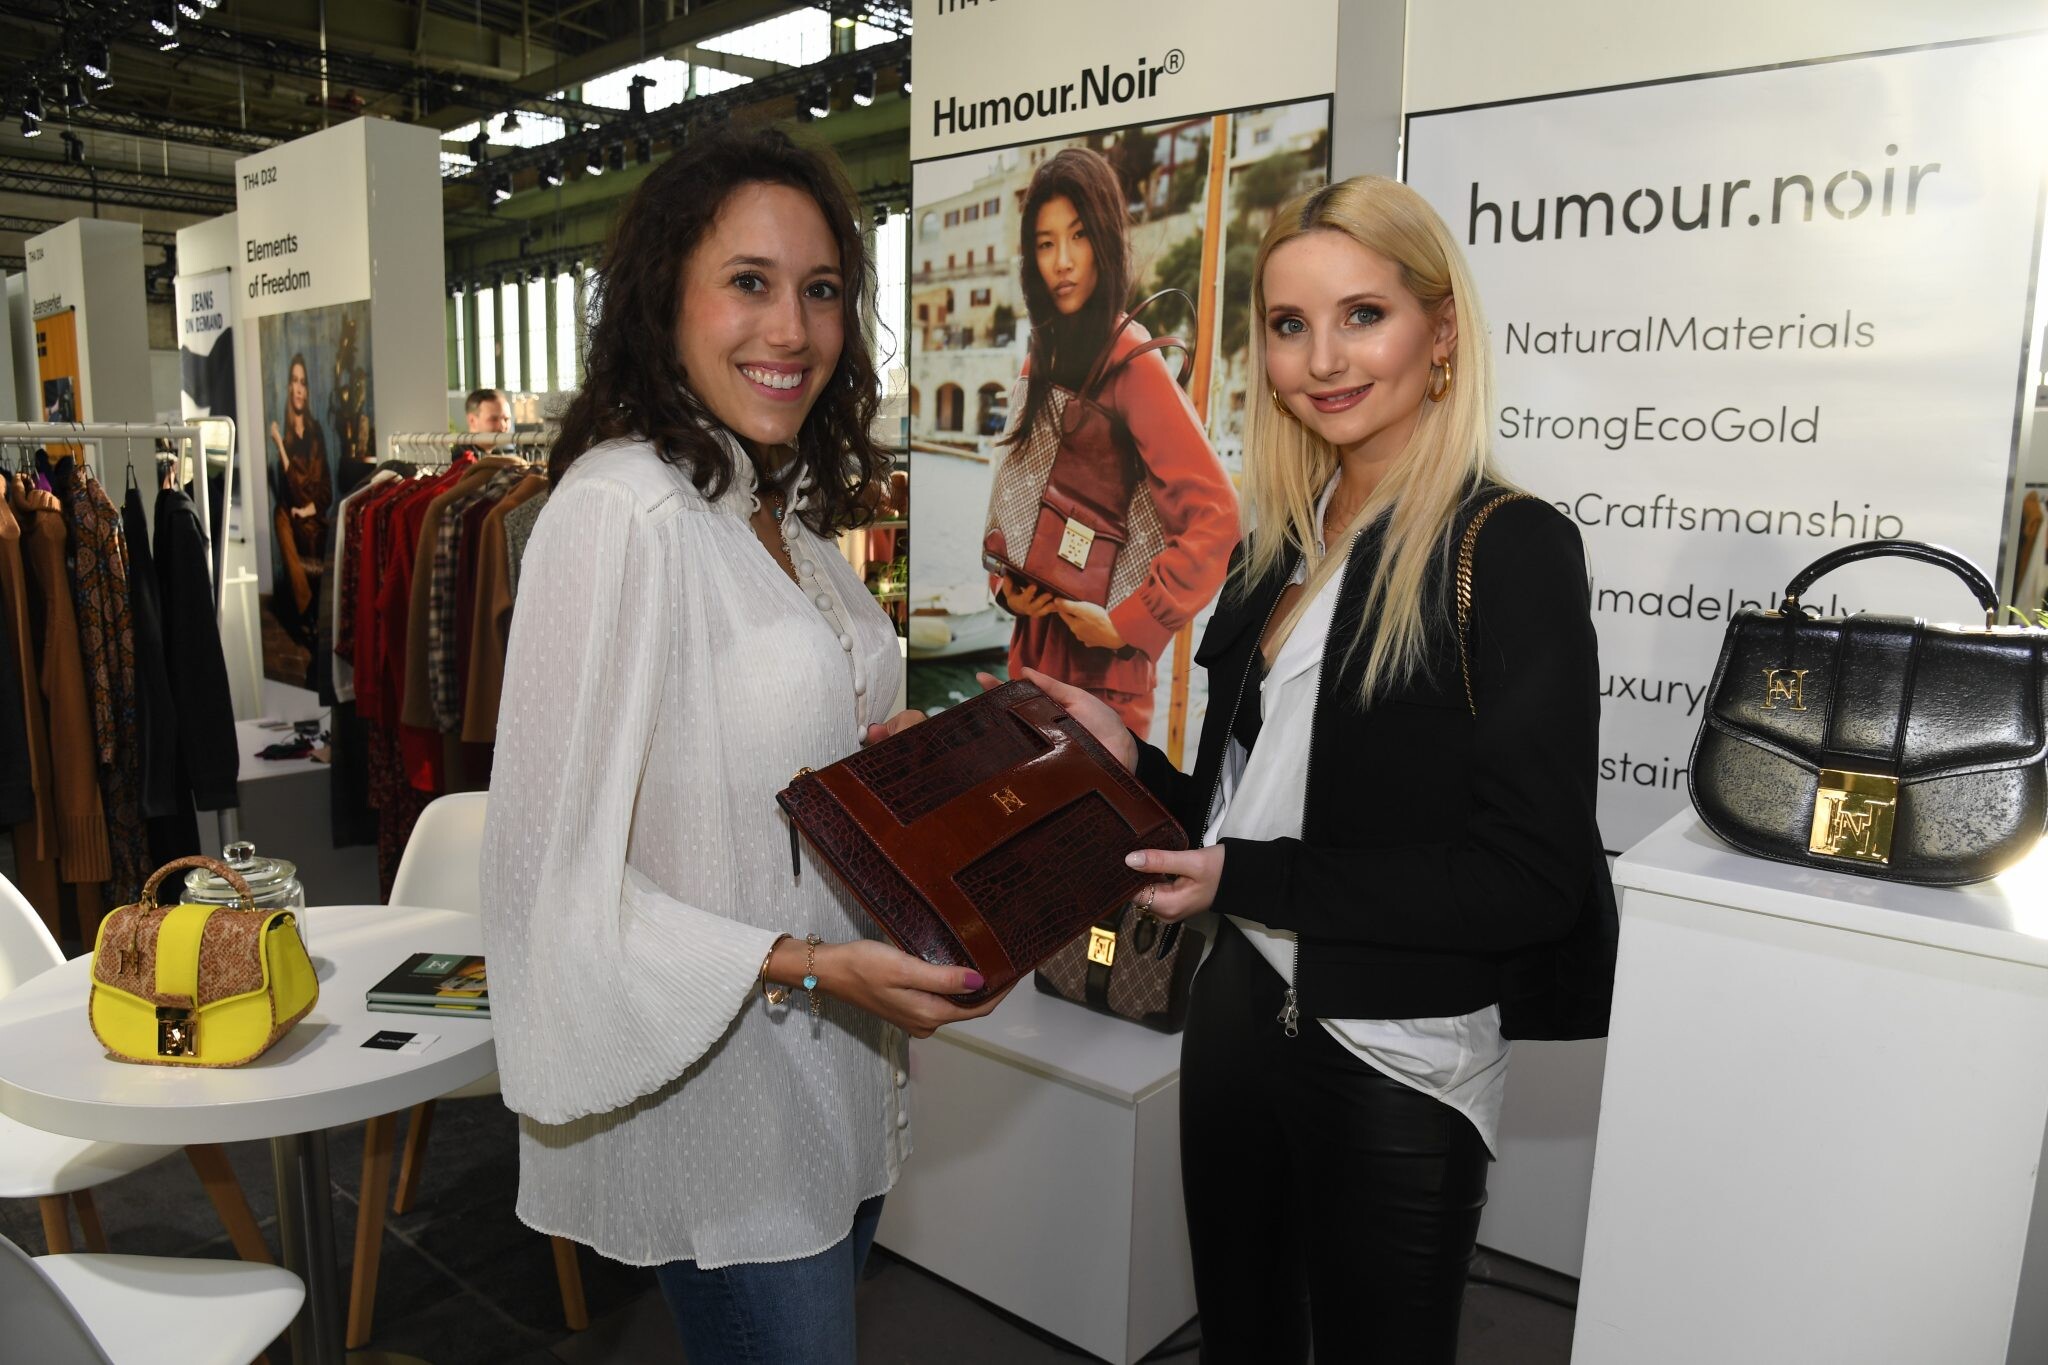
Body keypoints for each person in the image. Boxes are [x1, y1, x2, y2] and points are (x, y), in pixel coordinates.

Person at [997, 176, 1615, 1362]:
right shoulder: (1281, 542)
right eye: (1288, 325)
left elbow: (1528, 879)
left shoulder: (1509, 548)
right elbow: (1247, 810)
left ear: (1440, 331)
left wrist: (1243, 879)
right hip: (1235, 1015)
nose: (1321, 359)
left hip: (1395, 1056)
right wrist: (1129, 764)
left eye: (1361, 316)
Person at [478, 127, 1010, 1365]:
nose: (791, 329)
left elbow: (749, 760)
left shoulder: (773, 518)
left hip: (833, 1071)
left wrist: (891, 764)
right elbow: (545, 872)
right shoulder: (622, 511)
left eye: (819, 290)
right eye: (748, 282)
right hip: (725, 1104)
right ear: (665, 298)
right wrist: (810, 965)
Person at [993, 146, 1238, 740]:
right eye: (1045, 243)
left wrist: (1129, 623)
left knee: (1095, 806)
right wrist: (1008, 591)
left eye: (1078, 236)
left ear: (1104, 238)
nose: (1063, 261)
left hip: (1104, 682)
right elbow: (1016, 500)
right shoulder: (1041, 357)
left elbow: (1218, 519)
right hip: (1030, 659)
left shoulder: (1133, 361)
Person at [269, 352, 331, 647]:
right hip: (292, 513)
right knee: (280, 516)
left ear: (307, 390)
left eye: (303, 382)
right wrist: (281, 447)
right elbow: (293, 491)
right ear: (288, 387)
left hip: (313, 513)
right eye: (294, 381)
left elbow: (326, 489)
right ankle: (307, 613)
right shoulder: (286, 438)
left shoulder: (316, 432)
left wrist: (308, 509)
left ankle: (312, 615)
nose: (298, 388)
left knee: (295, 518)